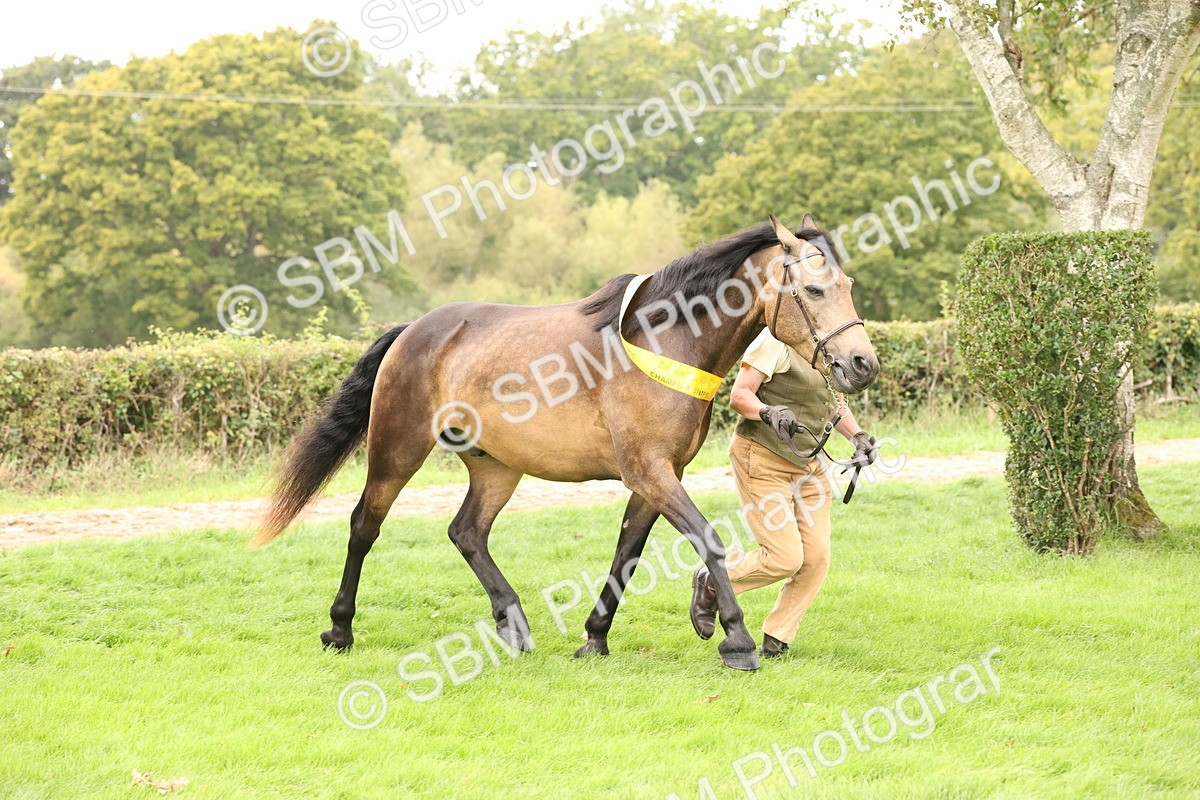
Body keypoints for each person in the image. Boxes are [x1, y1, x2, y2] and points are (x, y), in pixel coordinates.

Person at [690, 327, 877, 658]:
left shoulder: (826, 350)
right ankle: (713, 581)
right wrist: (767, 411)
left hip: (811, 467)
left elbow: (833, 405)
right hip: (761, 458)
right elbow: (740, 395)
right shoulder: (774, 341)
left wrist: (858, 436)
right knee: (784, 557)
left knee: (816, 558)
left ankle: (778, 635)